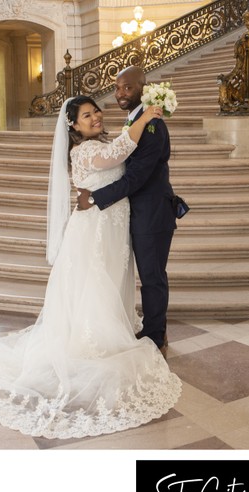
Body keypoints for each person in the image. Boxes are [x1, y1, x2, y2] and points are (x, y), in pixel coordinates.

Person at [0, 96, 181, 439]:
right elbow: (117, 156)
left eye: (96, 111)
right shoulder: (82, 151)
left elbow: (120, 152)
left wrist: (137, 123)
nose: (96, 117)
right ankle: (93, 335)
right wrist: (143, 119)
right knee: (95, 280)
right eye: (87, 115)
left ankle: (115, 321)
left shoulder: (100, 140)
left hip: (114, 224)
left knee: (112, 277)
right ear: (73, 125)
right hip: (96, 227)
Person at [76, 66, 176, 353]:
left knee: (152, 278)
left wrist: (95, 199)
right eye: (117, 88)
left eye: (127, 88)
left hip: (153, 213)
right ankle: (149, 330)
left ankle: (156, 337)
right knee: (145, 275)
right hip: (136, 213)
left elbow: (135, 179)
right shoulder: (137, 122)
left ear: (143, 89)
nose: (120, 93)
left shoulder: (153, 127)